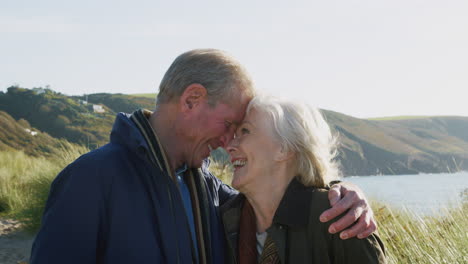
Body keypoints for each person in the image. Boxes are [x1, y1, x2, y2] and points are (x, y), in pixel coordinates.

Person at [31, 49, 377, 264]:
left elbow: (282, 194)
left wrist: (341, 193)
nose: (228, 141)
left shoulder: (216, 196)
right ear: (192, 100)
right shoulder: (90, 180)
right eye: (229, 124)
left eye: (241, 129)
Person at [221, 95, 386, 264]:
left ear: (284, 149)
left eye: (245, 131)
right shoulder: (225, 218)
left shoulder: (340, 217)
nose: (229, 146)